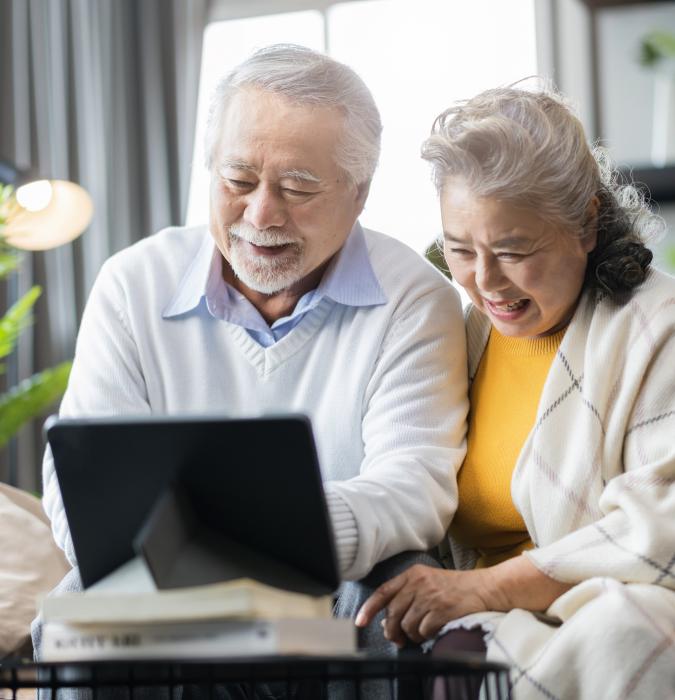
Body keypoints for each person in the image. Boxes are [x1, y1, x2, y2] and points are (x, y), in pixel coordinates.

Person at [39, 44, 468, 631]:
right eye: (238, 179)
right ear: (210, 167)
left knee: (402, 585)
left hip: (339, 577)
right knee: (69, 609)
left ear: (359, 191)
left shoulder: (416, 298)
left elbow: (413, 488)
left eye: (297, 188)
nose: (262, 214)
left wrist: (251, 535)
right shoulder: (132, 283)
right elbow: (81, 485)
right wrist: (195, 552)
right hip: (163, 572)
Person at [356, 85, 675, 699]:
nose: (484, 280)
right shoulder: (455, 332)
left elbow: (658, 530)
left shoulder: (656, 328)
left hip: (603, 618)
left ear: (585, 223)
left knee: (624, 632)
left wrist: (487, 589)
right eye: (459, 250)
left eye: (512, 250)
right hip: (473, 629)